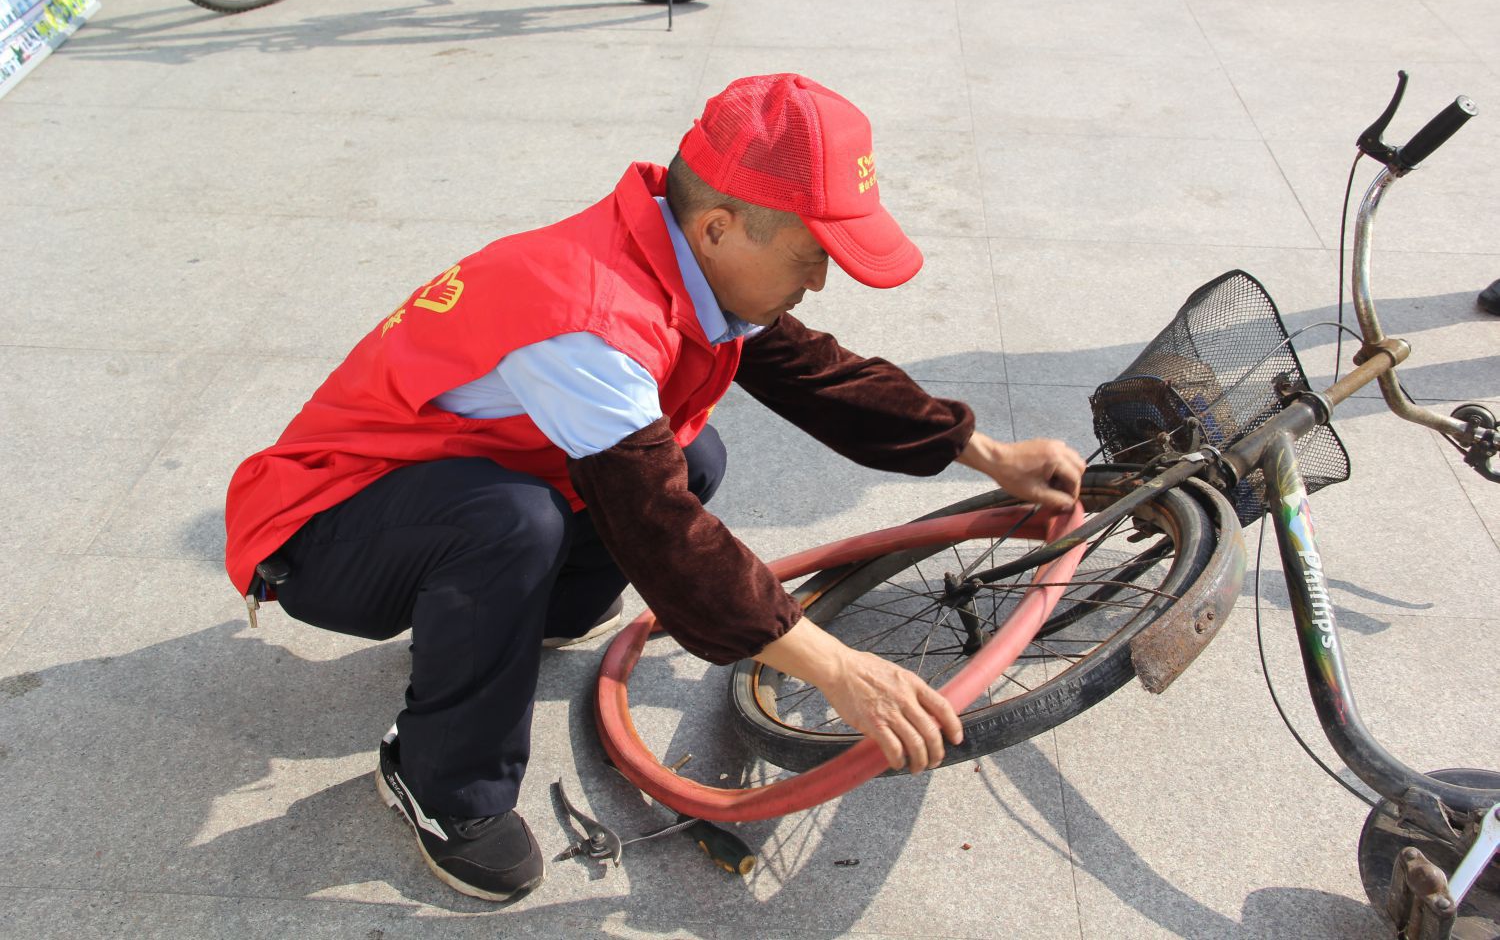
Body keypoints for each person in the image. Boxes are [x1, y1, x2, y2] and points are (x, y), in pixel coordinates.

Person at [223, 73, 1086, 904]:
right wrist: (839, 669)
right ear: (719, 228)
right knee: (514, 524)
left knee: (692, 452)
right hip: (319, 530)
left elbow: (820, 376)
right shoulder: (589, 323)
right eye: (811, 255)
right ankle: (437, 781)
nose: (821, 280)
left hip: (446, 484)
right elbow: (662, 533)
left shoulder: (676, 249)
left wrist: (989, 454)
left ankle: (521, 615)